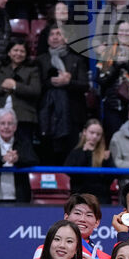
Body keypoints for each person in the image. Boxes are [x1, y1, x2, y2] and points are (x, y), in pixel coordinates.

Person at [36, 25, 90, 165]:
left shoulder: (76, 60)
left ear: (66, 39)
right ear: (47, 40)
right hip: (47, 116)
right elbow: (36, 86)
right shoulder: (40, 60)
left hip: (72, 116)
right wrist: (50, 82)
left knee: (70, 157)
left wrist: (68, 82)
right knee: (48, 157)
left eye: (58, 34)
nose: (55, 37)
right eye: (52, 34)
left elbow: (85, 85)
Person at [0, 107, 38, 203]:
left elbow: (34, 159)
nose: (6, 127)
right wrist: (2, 159)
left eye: (10, 123)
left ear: (15, 127)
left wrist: (18, 159)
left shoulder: (23, 142)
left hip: (19, 197)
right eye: (2, 123)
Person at [0, 39, 38, 142]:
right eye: (15, 50)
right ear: (9, 52)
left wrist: (15, 86)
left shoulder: (32, 69)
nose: (18, 53)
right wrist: (2, 86)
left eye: (22, 51)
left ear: (26, 54)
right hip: (1, 118)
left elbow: (35, 90)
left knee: (24, 151)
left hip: (24, 117)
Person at [64, 120, 115, 206]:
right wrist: (85, 153)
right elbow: (70, 172)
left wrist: (106, 161)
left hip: (101, 200)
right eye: (92, 132)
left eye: (98, 134)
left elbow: (110, 178)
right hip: (79, 199)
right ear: (84, 132)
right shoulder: (76, 152)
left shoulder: (105, 154)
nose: (94, 136)